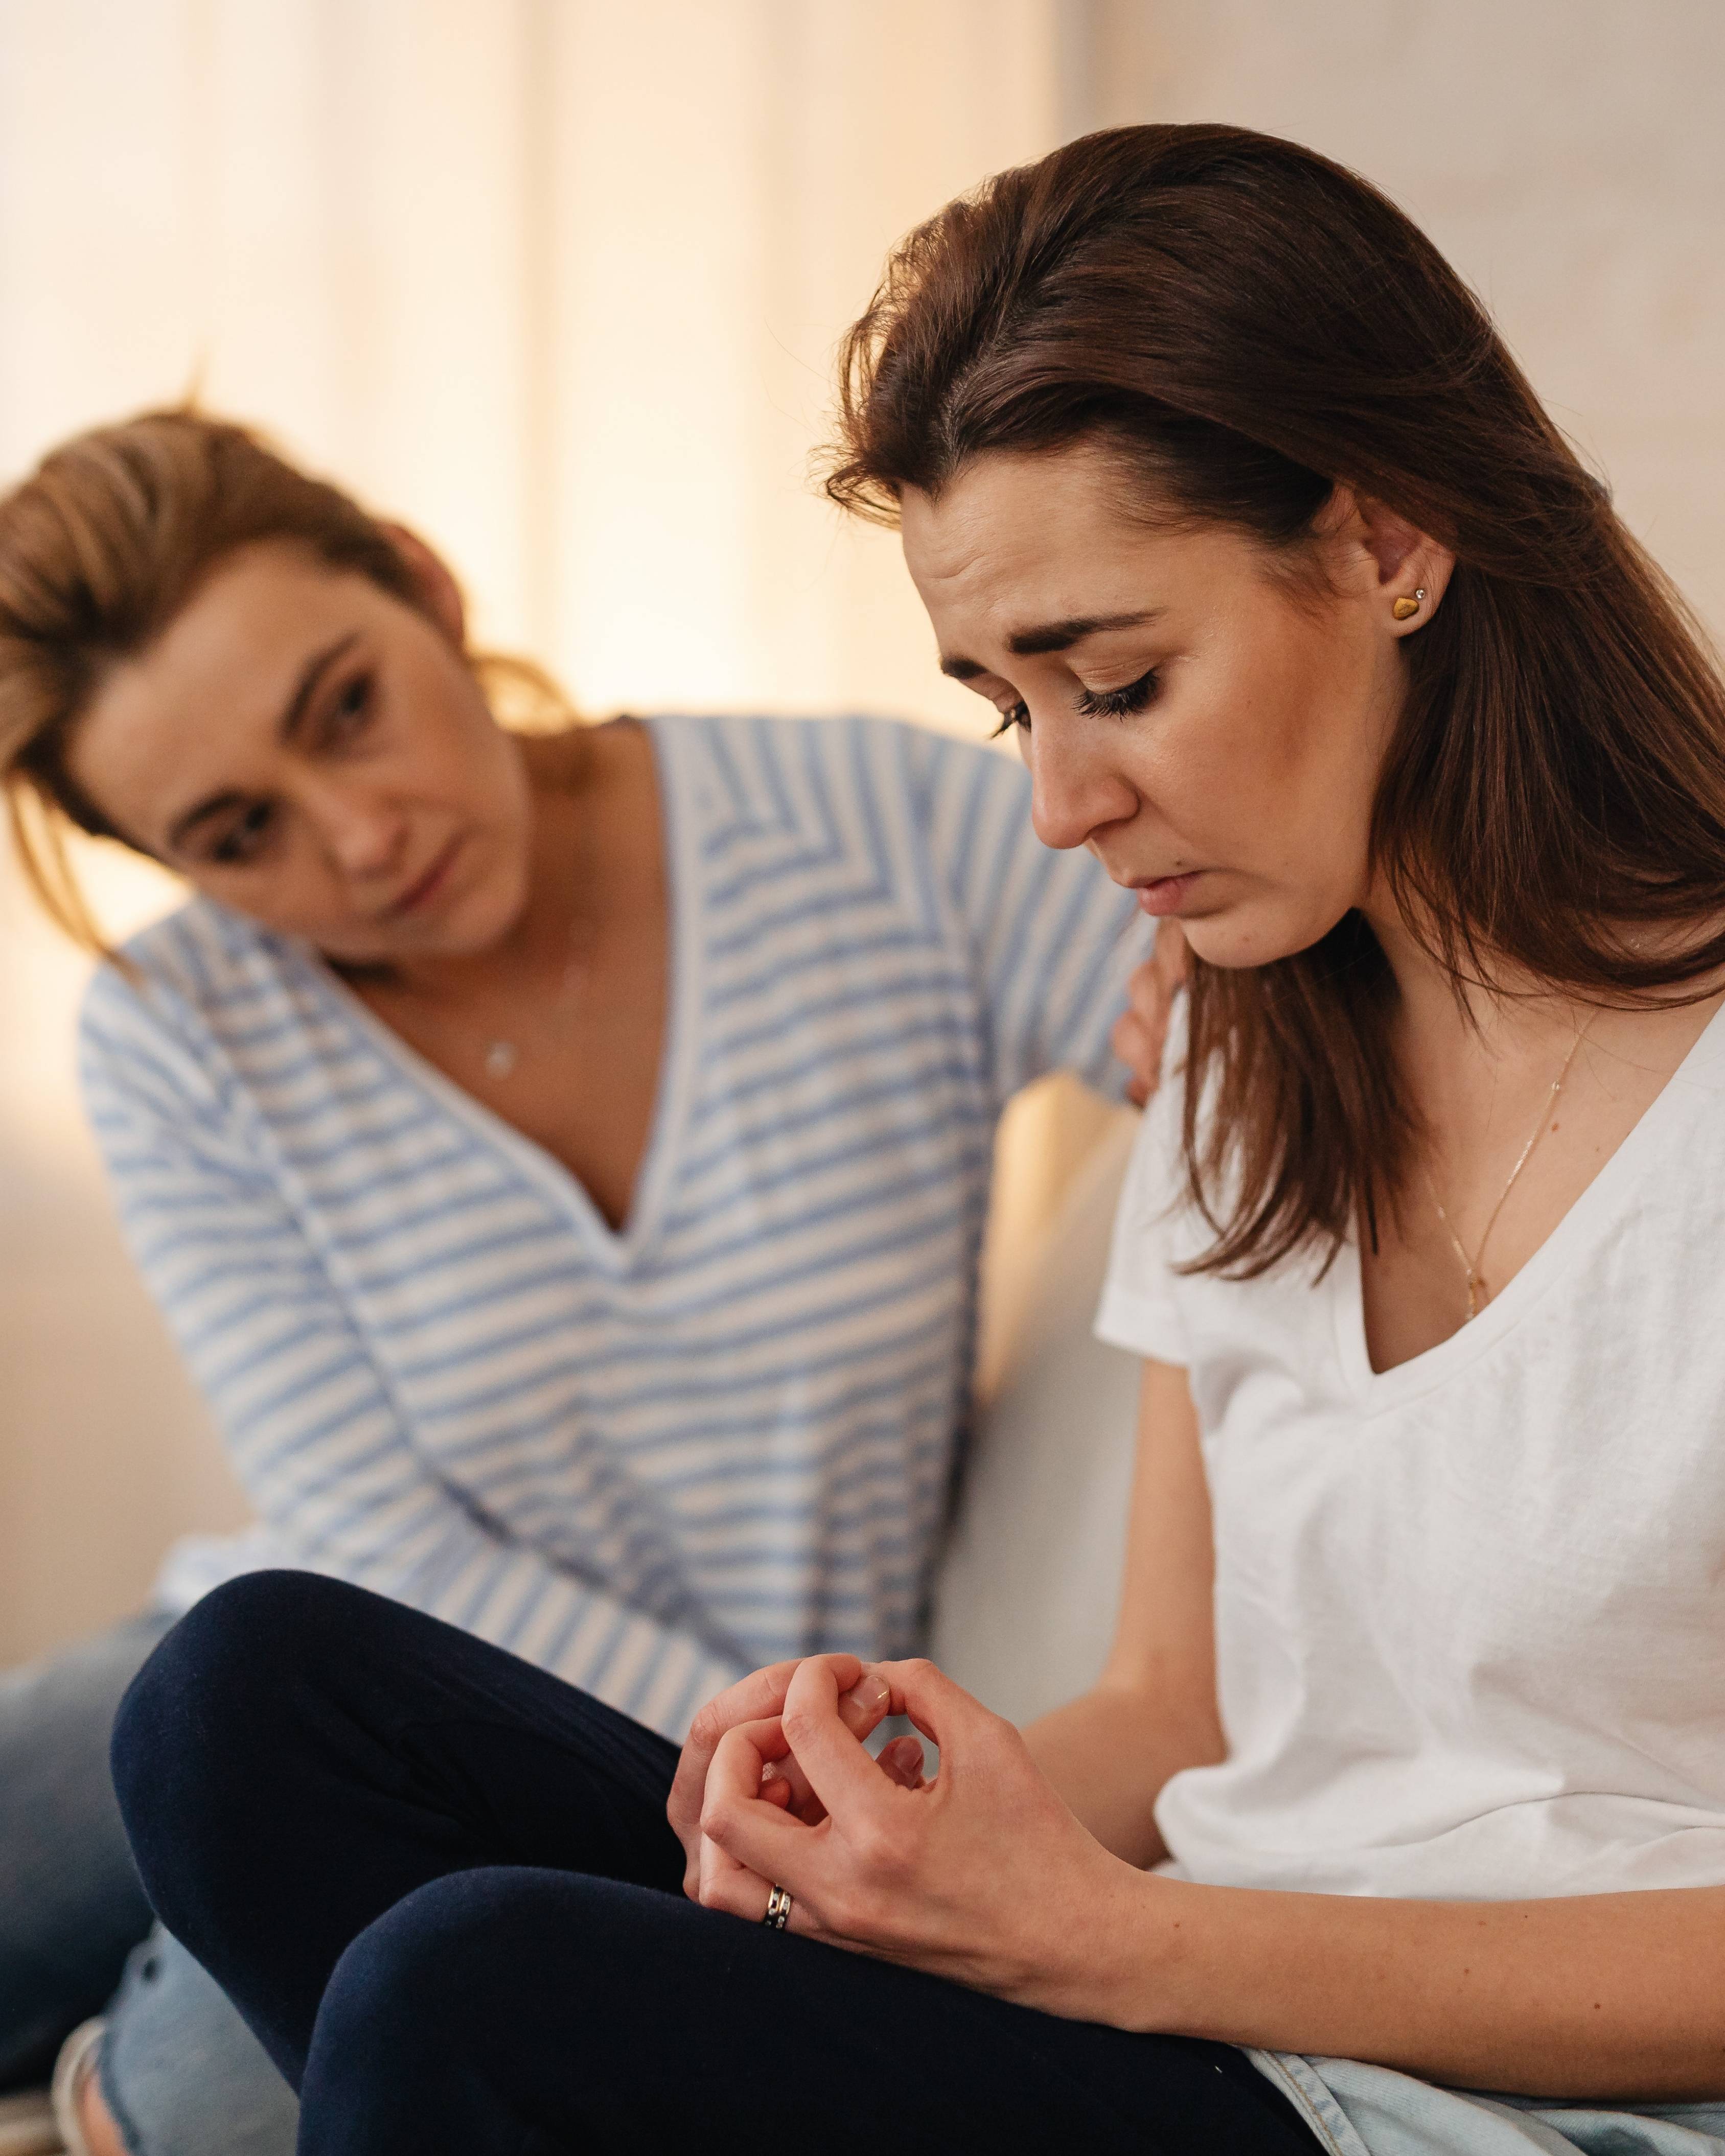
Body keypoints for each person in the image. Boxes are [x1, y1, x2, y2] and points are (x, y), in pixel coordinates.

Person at [111, 120, 1725, 2154]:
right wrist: (884, 1822)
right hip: (1203, 2017)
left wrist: (1112, 1945)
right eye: (1003, 705)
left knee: (468, 1992)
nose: (1057, 802)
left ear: (1390, 540)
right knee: (246, 1699)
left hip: (1482, 2110)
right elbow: (1179, 1708)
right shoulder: (1245, 1032)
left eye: (1115, 680)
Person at [0, 408, 1170, 2156]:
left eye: (347, 707)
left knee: (201, 2107)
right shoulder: (185, 1035)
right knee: (160, 1743)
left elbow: (1244, 989)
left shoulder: (860, 828)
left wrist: (1227, 1016)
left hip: (661, 1791)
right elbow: (364, 1533)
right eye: (243, 832)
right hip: (279, 1674)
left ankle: (131, 2049)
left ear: (421, 585)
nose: (363, 833)